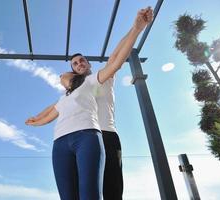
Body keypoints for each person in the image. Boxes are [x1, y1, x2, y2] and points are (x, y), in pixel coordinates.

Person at [25, 7, 153, 200]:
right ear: (73, 72)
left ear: (89, 64)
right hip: (79, 139)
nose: (79, 63)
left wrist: (136, 27)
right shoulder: (74, 93)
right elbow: (55, 106)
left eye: (82, 60)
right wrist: (37, 118)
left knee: (111, 191)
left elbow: (115, 57)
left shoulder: (101, 77)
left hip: (106, 136)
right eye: (75, 63)